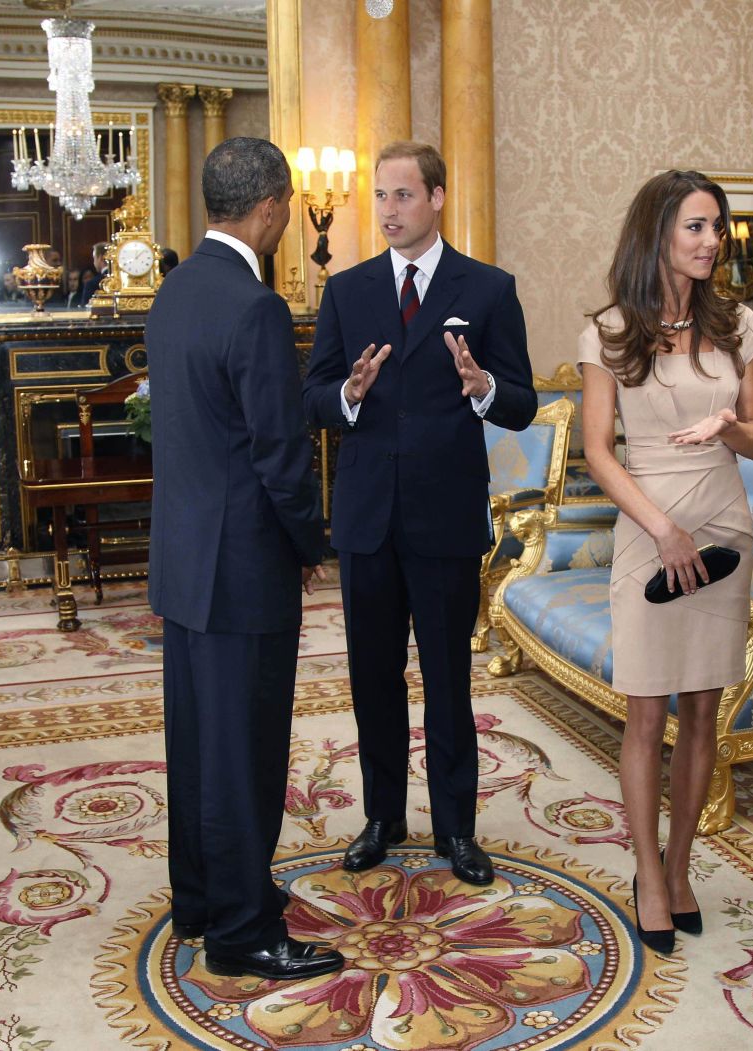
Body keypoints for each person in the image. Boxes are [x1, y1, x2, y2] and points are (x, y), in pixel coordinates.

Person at [302, 140, 536, 886]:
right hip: (368, 520)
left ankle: (458, 831)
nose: (389, 210)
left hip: (444, 521)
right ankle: (383, 817)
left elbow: (524, 403)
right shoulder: (348, 290)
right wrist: (350, 394)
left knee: (446, 681)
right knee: (374, 677)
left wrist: (483, 386)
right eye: (381, 196)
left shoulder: (489, 288)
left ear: (437, 197)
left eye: (403, 195)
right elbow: (314, 393)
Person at [145, 137, 342, 983]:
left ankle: (199, 895)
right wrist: (311, 542)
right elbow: (279, 453)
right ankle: (241, 928)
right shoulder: (255, 306)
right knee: (245, 750)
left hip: (185, 563)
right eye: (288, 206)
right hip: (243, 566)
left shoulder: (176, 291)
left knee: (196, 739)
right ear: (271, 207)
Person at [576, 170, 753, 955]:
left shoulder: (738, 324)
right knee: (646, 709)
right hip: (648, 526)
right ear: (657, 231)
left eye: (717, 227)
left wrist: (729, 424)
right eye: (696, 226)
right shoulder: (609, 331)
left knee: (701, 713)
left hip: (723, 524)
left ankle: (681, 867)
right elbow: (596, 450)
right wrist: (659, 528)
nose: (711, 241)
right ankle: (647, 874)